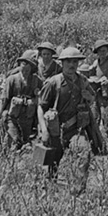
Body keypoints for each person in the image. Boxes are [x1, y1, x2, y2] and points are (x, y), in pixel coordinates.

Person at [38, 47, 96, 190]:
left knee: (84, 154)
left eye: (75, 62)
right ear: (62, 63)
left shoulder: (83, 81)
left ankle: (78, 191)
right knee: (51, 164)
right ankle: (49, 191)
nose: (72, 65)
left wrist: (89, 97)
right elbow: (40, 107)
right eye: (68, 62)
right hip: (55, 131)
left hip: (75, 129)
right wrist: (44, 130)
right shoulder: (53, 83)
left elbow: (92, 98)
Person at [0, 49, 42, 150]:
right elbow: (5, 98)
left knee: (26, 143)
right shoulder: (12, 79)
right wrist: (0, 115)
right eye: (23, 64)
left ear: (32, 67)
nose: (25, 67)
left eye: (29, 65)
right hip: (13, 117)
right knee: (14, 142)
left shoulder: (37, 81)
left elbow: (41, 100)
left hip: (28, 118)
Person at [87, 39, 108, 148]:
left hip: (106, 94)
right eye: (100, 51)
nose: (102, 53)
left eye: (104, 51)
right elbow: (91, 74)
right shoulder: (96, 63)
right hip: (96, 93)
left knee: (106, 116)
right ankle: (96, 140)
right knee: (94, 116)